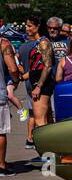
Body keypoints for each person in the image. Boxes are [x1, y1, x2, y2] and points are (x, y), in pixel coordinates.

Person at [16, 16, 55, 145]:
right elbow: (35, 69)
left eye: (29, 26)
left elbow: (47, 65)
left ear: (38, 26)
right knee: (46, 119)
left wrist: (38, 86)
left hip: (41, 85)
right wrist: (22, 78)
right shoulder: (38, 42)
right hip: (37, 81)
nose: (27, 28)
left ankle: (47, 153)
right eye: (26, 26)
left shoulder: (43, 42)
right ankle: (51, 152)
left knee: (40, 121)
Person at [0, 36, 21, 176]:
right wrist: (15, 80)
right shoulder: (3, 43)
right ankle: (1, 165)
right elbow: (13, 68)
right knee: (0, 131)